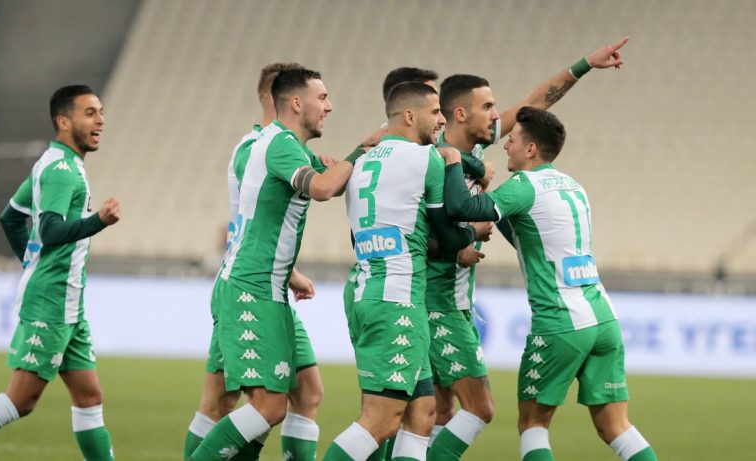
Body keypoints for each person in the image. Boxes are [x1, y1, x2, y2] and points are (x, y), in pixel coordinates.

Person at [426, 36, 630, 460]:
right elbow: (415, 230)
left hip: (458, 299)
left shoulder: (476, 149)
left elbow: (536, 102)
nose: (497, 117)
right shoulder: (428, 157)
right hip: (432, 297)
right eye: (488, 106)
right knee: (468, 408)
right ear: (460, 113)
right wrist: (457, 245)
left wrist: (584, 65)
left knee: (435, 410)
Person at [440, 106, 658, 461]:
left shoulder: (524, 186)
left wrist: (454, 162)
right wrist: (490, 201)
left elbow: (462, 207)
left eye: (512, 140)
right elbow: (527, 236)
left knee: (533, 425)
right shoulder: (573, 185)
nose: (505, 145)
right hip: (603, 318)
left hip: (561, 321)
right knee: (616, 427)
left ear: (530, 149)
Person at [190, 67, 359, 460]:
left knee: (305, 392)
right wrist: (362, 150)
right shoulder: (271, 144)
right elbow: (321, 189)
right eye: (322, 98)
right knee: (252, 405)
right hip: (249, 286)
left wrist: (290, 271)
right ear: (293, 101)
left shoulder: (279, 144)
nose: (329, 106)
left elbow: (265, 213)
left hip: (268, 285)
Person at [323, 81, 491, 461]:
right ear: (410, 116)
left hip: (366, 290)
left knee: (423, 413)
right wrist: (473, 231)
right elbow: (449, 236)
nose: (442, 120)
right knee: (380, 421)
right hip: (398, 299)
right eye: (435, 112)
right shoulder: (425, 159)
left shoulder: (362, 162)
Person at [0, 85, 120, 460]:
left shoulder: (55, 162)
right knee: (21, 400)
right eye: (90, 113)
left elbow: (11, 217)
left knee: (89, 397)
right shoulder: (63, 172)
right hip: (51, 302)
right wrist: (98, 221)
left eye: (101, 112)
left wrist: (32, 265)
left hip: (68, 304)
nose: (100, 120)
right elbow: (48, 230)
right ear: (63, 121)